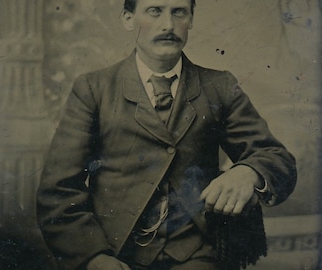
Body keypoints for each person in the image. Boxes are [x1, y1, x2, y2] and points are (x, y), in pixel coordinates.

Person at [37, 0, 297, 269]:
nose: (168, 25)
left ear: (191, 20)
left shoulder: (219, 86)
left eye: (179, 12)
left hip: (198, 254)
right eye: (155, 11)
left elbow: (276, 157)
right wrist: (93, 257)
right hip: (115, 253)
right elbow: (58, 191)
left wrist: (249, 172)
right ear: (128, 19)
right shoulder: (94, 89)